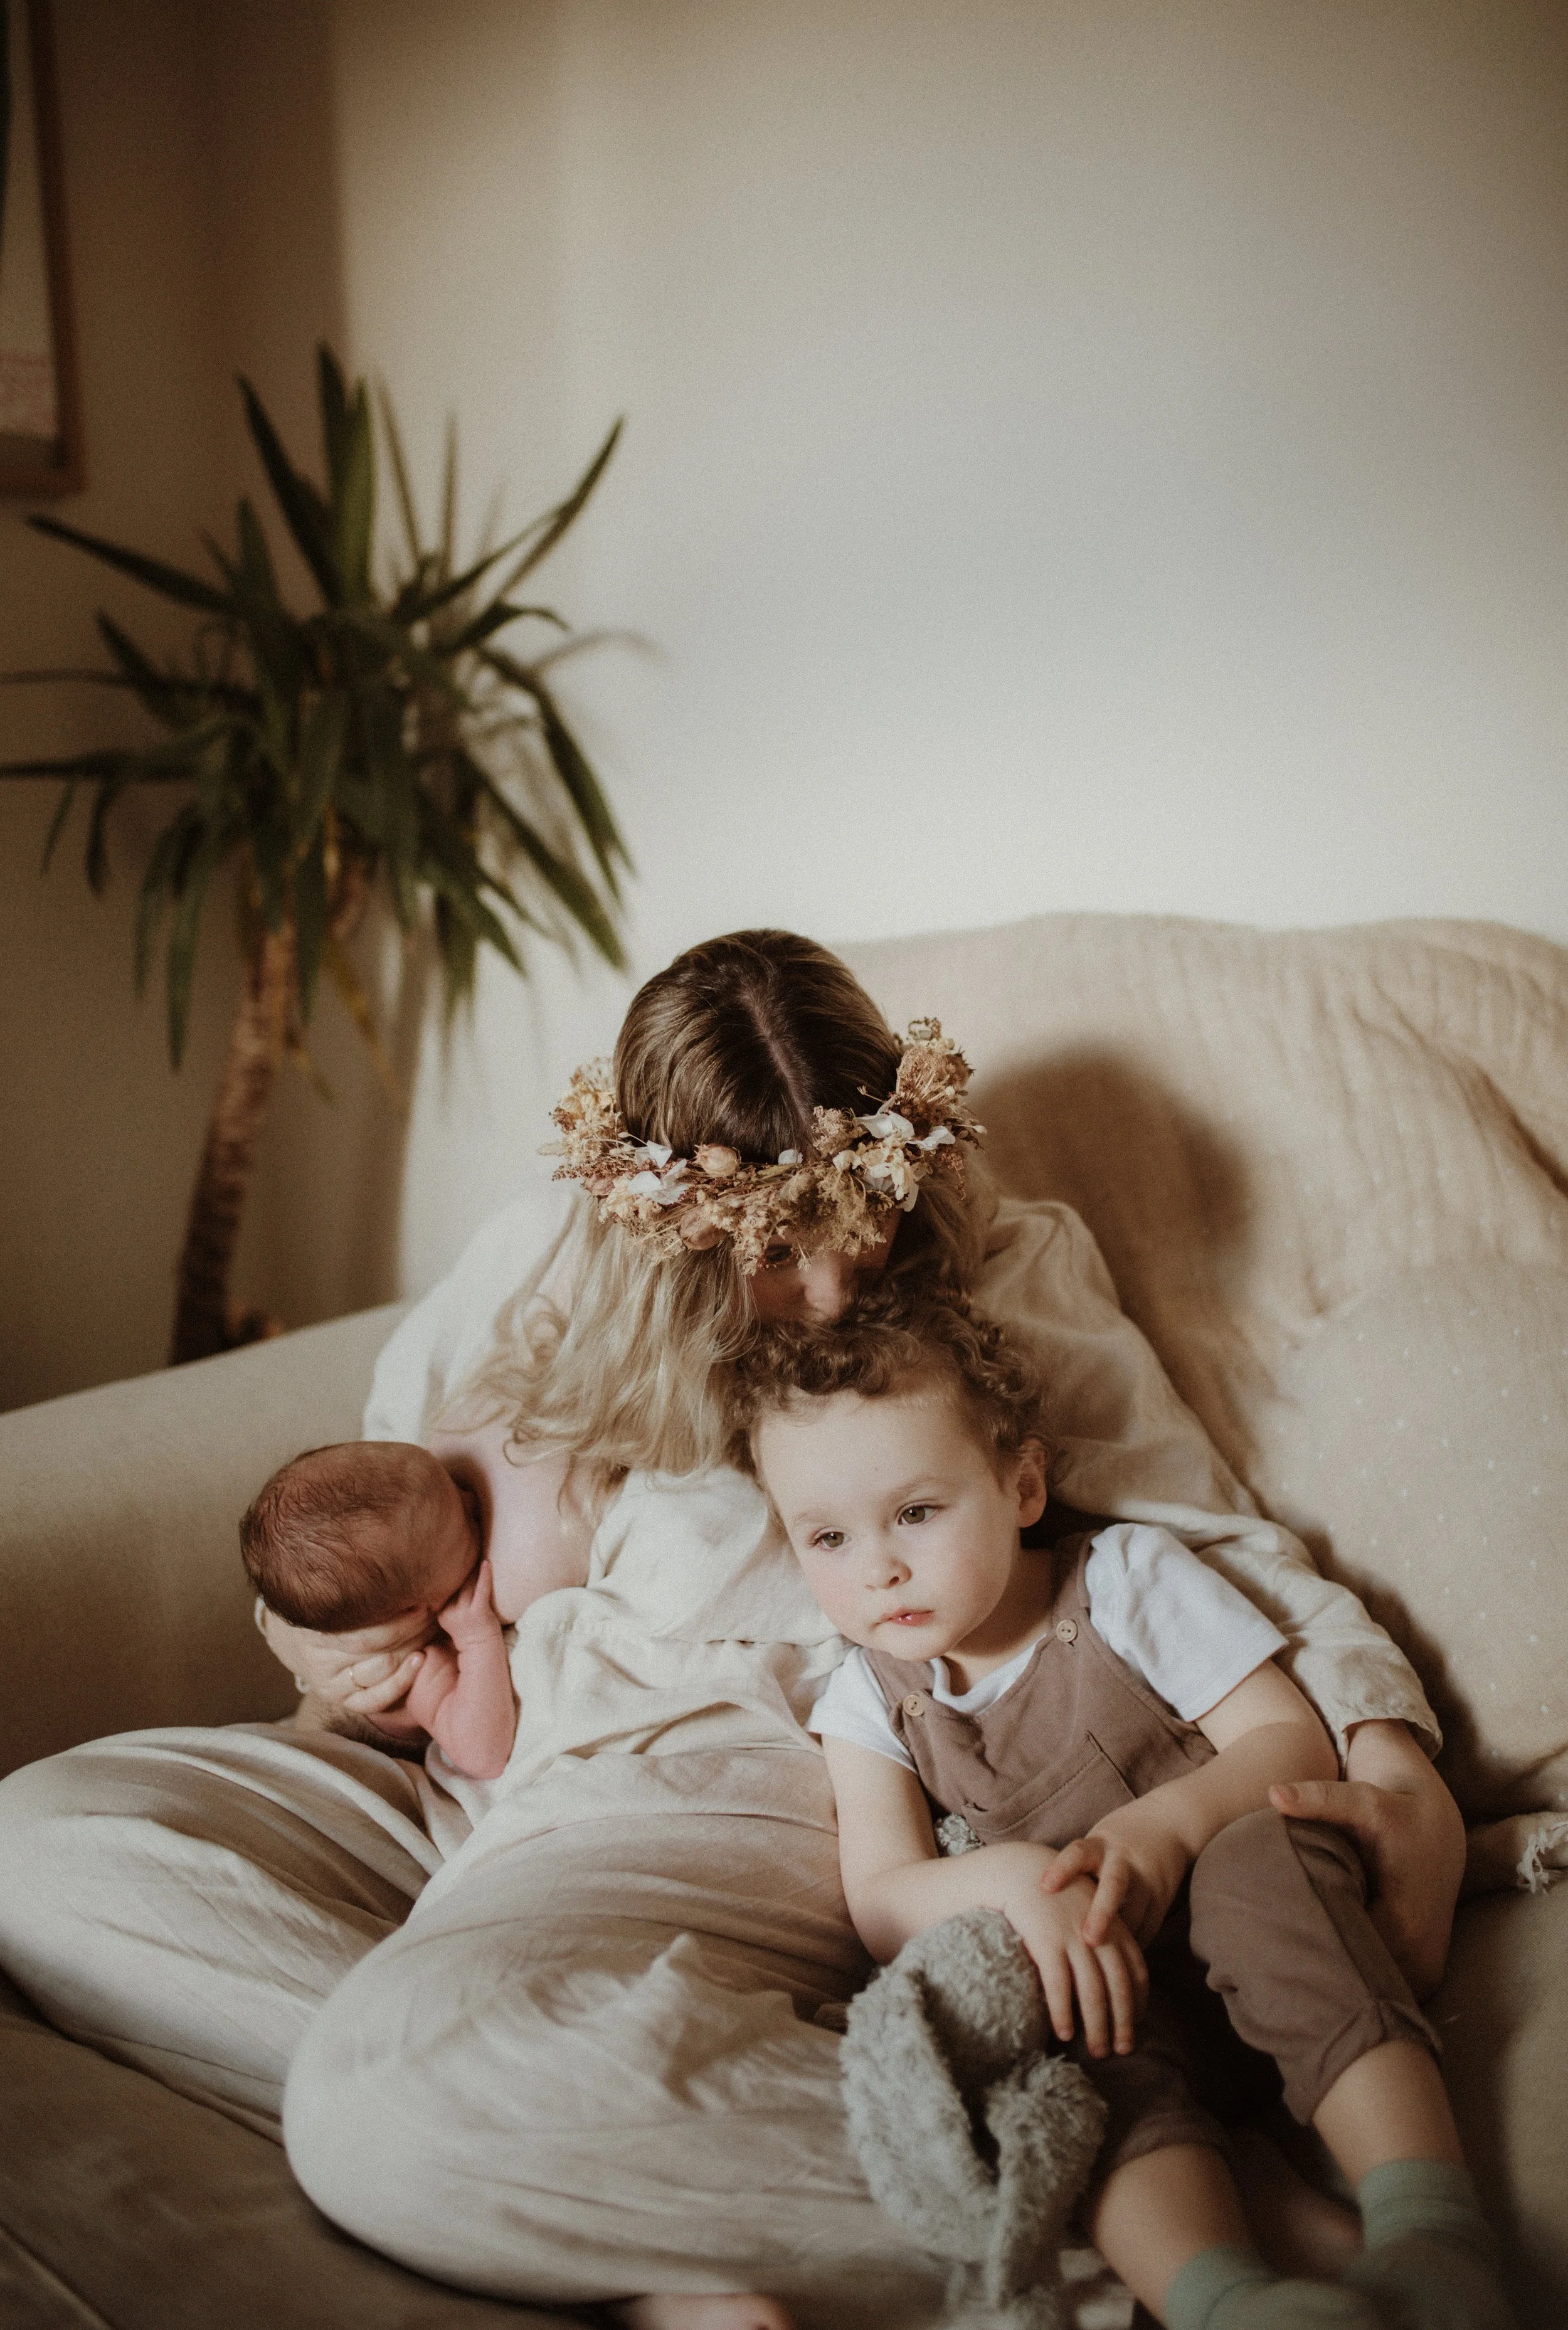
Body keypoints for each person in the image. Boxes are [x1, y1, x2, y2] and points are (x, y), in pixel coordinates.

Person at [0, 929, 1466, 2328]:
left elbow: (1206, 1546)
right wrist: (337, 1660)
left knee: (376, 2098)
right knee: (40, 1844)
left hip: (734, 1774)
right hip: (480, 1771)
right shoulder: (538, 1257)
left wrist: (1394, 1760)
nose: (832, 1291)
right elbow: (378, 1501)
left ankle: (1162, 2236)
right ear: (649, 1221)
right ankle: (600, 2207)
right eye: (772, 1248)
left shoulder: (1001, 1269)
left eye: (856, 1226)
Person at [734, 1291, 1513, 2330]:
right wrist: (1014, 1887)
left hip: (1288, 1946)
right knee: (1046, 2029)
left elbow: (1286, 1742)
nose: (877, 1567)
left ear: (1021, 1485)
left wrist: (1172, 1827)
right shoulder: (866, 1699)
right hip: (1115, 1993)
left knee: (1259, 1864)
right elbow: (882, 1897)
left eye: (917, 1513)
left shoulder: (1124, 1581)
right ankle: (1228, 2298)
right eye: (827, 1537)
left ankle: (1434, 2233)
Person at [239, 1442, 521, 1780]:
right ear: (415, 1607)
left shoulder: (369, 1597)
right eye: (467, 1521)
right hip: (345, 1777)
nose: (471, 1498)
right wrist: (478, 1640)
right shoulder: (417, 1667)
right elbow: (483, 1756)